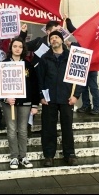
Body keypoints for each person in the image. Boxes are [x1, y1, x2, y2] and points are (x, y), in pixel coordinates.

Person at [37, 30, 82, 167]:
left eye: (57, 37)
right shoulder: (44, 58)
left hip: (67, 97)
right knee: (48, 128)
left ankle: (70, 154)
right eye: (52, 38)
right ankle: (49, 156)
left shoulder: (72, 57)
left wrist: (76, 96)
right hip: (49, 99)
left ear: (62, 40)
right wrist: (40, 96)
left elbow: (79, 78)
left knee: (67, 127)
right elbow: (40, 79)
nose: (54, 39)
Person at [0, 37, 40, 169]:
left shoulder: (28, 65)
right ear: (10, 48)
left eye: (20, 47)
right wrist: (5, 99)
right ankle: (14, 157)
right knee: (11, 130)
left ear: (23, 49)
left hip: (26, 102)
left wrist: (35, 105)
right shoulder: (4, 64)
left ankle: (23, 156)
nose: (17, 49)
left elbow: (34, 85)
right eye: (15, 46)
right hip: (9, 103)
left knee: (23, 130)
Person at [64, 16, 99, 115]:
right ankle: (86, 105)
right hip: (83, 66)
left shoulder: (95, 39)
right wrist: (67, 21)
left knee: (93, 87)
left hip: (92, 67)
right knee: (84, 87)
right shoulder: (86, 36)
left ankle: (97, 107)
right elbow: (75, 31)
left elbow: (84, 47)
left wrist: (71, 44)